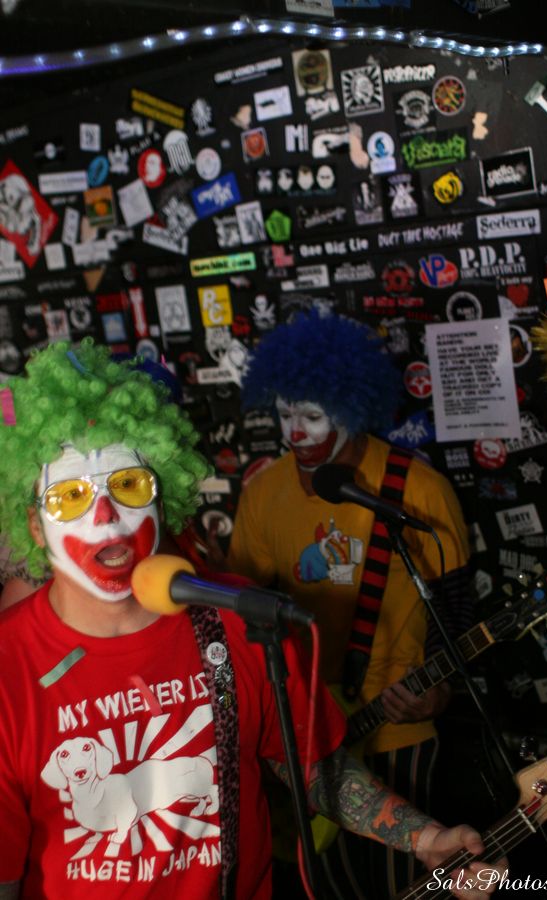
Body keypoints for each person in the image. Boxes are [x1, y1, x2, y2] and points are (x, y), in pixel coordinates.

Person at [0, 338, 501, 900]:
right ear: (34, 525)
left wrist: (426, 838)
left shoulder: (232, 619)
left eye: (128, 484)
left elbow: (312, 765)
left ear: (164, 498)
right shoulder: (8, 668)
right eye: (69, 496)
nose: (105, 516)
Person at [226, 309, 473, 897]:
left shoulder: (418, 490)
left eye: (312, 416)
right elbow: (241, 617)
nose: (295, 433)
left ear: (352, 409)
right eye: (285, 414)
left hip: (399, 734)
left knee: (409, 886)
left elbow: (459, 612)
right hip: (310, 739)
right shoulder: (262, 493)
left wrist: (439, 690)